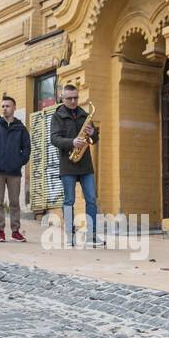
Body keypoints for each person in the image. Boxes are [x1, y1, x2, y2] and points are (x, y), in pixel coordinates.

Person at [51, 82, 102, 247]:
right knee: (69, 200)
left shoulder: (84, 114)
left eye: (75, 98)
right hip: (68, 163)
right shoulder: (57, 116)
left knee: (92, 199)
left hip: (85, 164)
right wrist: (72, 142)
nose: (73, 101)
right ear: (63, 98)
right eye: (69, 98)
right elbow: (54, 139)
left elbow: (94, 140)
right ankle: (69, 235)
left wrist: (93, 134)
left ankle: (92, 235)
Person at [0, 94, 30, 242]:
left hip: (14, 172)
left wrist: (19, 161)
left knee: (15, 202)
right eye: (3, 106)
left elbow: (27, 148)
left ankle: (15, 231)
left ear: (14, 108)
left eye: (7, 106)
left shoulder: (21, 128)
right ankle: (0, 231)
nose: (5, 109)